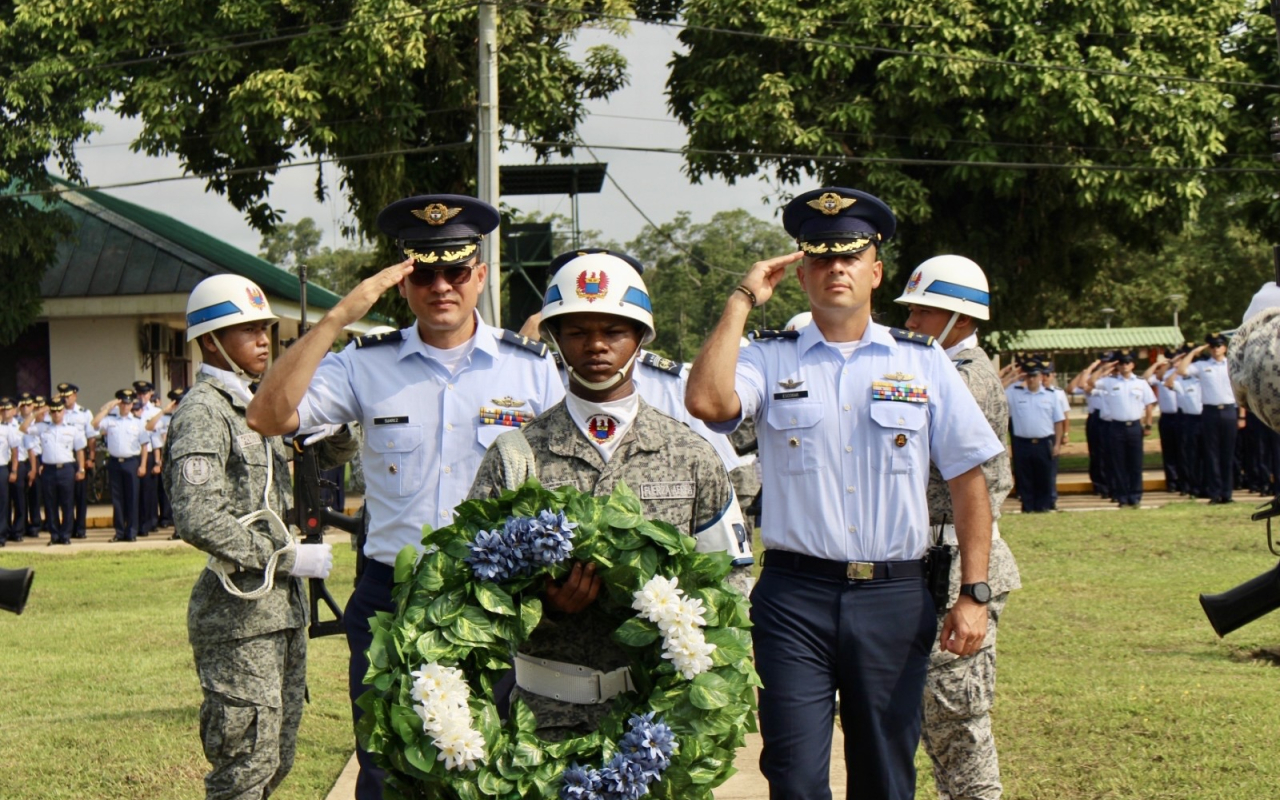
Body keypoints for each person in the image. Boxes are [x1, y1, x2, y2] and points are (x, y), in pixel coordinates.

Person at [685, 187, 1004, 800]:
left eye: (850, 257)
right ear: (801, 271)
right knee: (796, 775)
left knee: (885, 775)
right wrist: (742, 298)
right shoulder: (768, 356)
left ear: (875, 271)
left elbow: (970, 480)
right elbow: (707, 403)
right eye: (821, 258)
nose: (836, 269)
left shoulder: (923, 361)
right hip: (795, 597)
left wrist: (975, 594)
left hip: (894, 594)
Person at [245, 193, 564, 800]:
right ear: (403, 282)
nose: (440, 285)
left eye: (455, 270)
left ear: (480, 275)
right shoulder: (366, 364)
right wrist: (338, 318)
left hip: (495, 598)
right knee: (387, 765)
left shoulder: (532, 371)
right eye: (424, 272)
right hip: (393, 594)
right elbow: (267, 414)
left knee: (492, 766)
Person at [468, 249, 753, 739]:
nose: (596, 346)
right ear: (555, 339)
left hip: (657, 721)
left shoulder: (691, 454)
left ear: (640, 338)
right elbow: (472, 587)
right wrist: (545, 609)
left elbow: (732, 583)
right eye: (577, 332)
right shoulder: (516, 456)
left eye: (614, 331)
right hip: (540, 722)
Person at [162, 273, 356, 800]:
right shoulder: (205, 411)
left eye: (265, 328)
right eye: (246, 330)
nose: (264, 340)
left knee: (275, 759)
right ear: (210, 340)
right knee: (244, 767)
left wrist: (335, 430)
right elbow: (197, 515)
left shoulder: (258, 402)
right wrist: (285, 556)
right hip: (238, 616)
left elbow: (319, 463)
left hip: (280, 612)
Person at [894, 253, 1020, 799]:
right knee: (934, 727)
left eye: (924, 313)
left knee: (957, 728)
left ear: (962, 320)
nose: (911, 323)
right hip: (932, 562)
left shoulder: (967, 379)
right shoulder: (942, 370)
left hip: (956, 568)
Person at [1177, 334, 1240, 504]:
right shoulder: (1202, 365)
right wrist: (1194, 352)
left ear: (1225, 347)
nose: (1215, 348)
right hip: (1210, 412)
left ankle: (1227, 494)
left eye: (1219, 345)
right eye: (1212, 346)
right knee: (1212, 454)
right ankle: (1214, 494)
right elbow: (1182, 371)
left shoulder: (1232, 364)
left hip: (1229, 410)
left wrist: (1241, 414)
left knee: (1227, 454)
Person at [1088, 350, 1155, 508]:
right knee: (1119, 464)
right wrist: (1105, 368)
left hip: (1134, 426)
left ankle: (1135, 496)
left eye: (1127, 362)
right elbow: (1090, 382)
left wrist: (1148, 424)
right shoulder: (1110, 382)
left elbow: (1149, 404)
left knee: (1135, 464)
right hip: (1116, 426)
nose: (1124, 366)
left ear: (1133, 364)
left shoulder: (1140, 383)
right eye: (1121, 363)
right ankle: (1122, 497)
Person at [1005, 361, 1065, 513]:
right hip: (1022, 442)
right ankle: (1028, 506)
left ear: (1040, 376)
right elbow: (997, 390)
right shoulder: (1014, 393)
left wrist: (1057, 444)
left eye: (1034, 375)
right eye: (1028, 376)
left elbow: (1058, 421)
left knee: (1044, 476)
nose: (1031, 379)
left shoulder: (1051, 396)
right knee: (1024, 476)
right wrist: (1013, 378)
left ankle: (1043, 506)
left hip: (1044, 442)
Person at [93, 389, 148, 542]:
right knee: (117, 499)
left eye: (128, 403)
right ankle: (119, 532)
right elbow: (95, 423)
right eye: (122, 403)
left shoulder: (138, 422)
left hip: (131, 462)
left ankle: (131, 532)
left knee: (132, 499)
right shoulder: (111, 420)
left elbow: (144, 446)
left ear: (132, 405)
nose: (125, 406)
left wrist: (143, 465)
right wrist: (109, 406)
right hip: (115, 462)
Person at [32, 397, 87, 545]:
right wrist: (37, 413)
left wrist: (81, 468)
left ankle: (66, 535)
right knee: (50, 504)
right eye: (53, 411)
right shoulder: (43, 427)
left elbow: (80, 450)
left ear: (63, 412)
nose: (56, 414)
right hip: (49, 469)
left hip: (67, 468)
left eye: (59, 411)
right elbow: (23, 429)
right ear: (50, 412)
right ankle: (54, 535)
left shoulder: (72, 428)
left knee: (67, 503)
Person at [56, 383, 94, 539]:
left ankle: (80, 529)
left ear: (75, 395)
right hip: (64, 456)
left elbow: (91, 437)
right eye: (63, 396)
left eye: (68, 395)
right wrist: (54, 401)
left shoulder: (84, 413)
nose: (65, 398)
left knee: (80, 496)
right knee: (66, 497)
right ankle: (68, 528)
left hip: (80, 455)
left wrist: (91, 457)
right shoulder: (58, 412)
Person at [147, 387, 186, 530]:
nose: (178, 406)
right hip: (168, 459)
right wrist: (163, 411)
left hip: (183, 459)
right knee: (166, 492)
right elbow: (150, 429)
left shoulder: (190, 416)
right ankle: (167, 519)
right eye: (176, 403)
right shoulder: (165, 418)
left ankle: (179, 526)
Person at [0, 398, 17, 547]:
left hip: (2, 468)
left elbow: (15, 450)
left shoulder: (7, 429)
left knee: (3, 503)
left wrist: (14, 470)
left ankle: (1, 535)